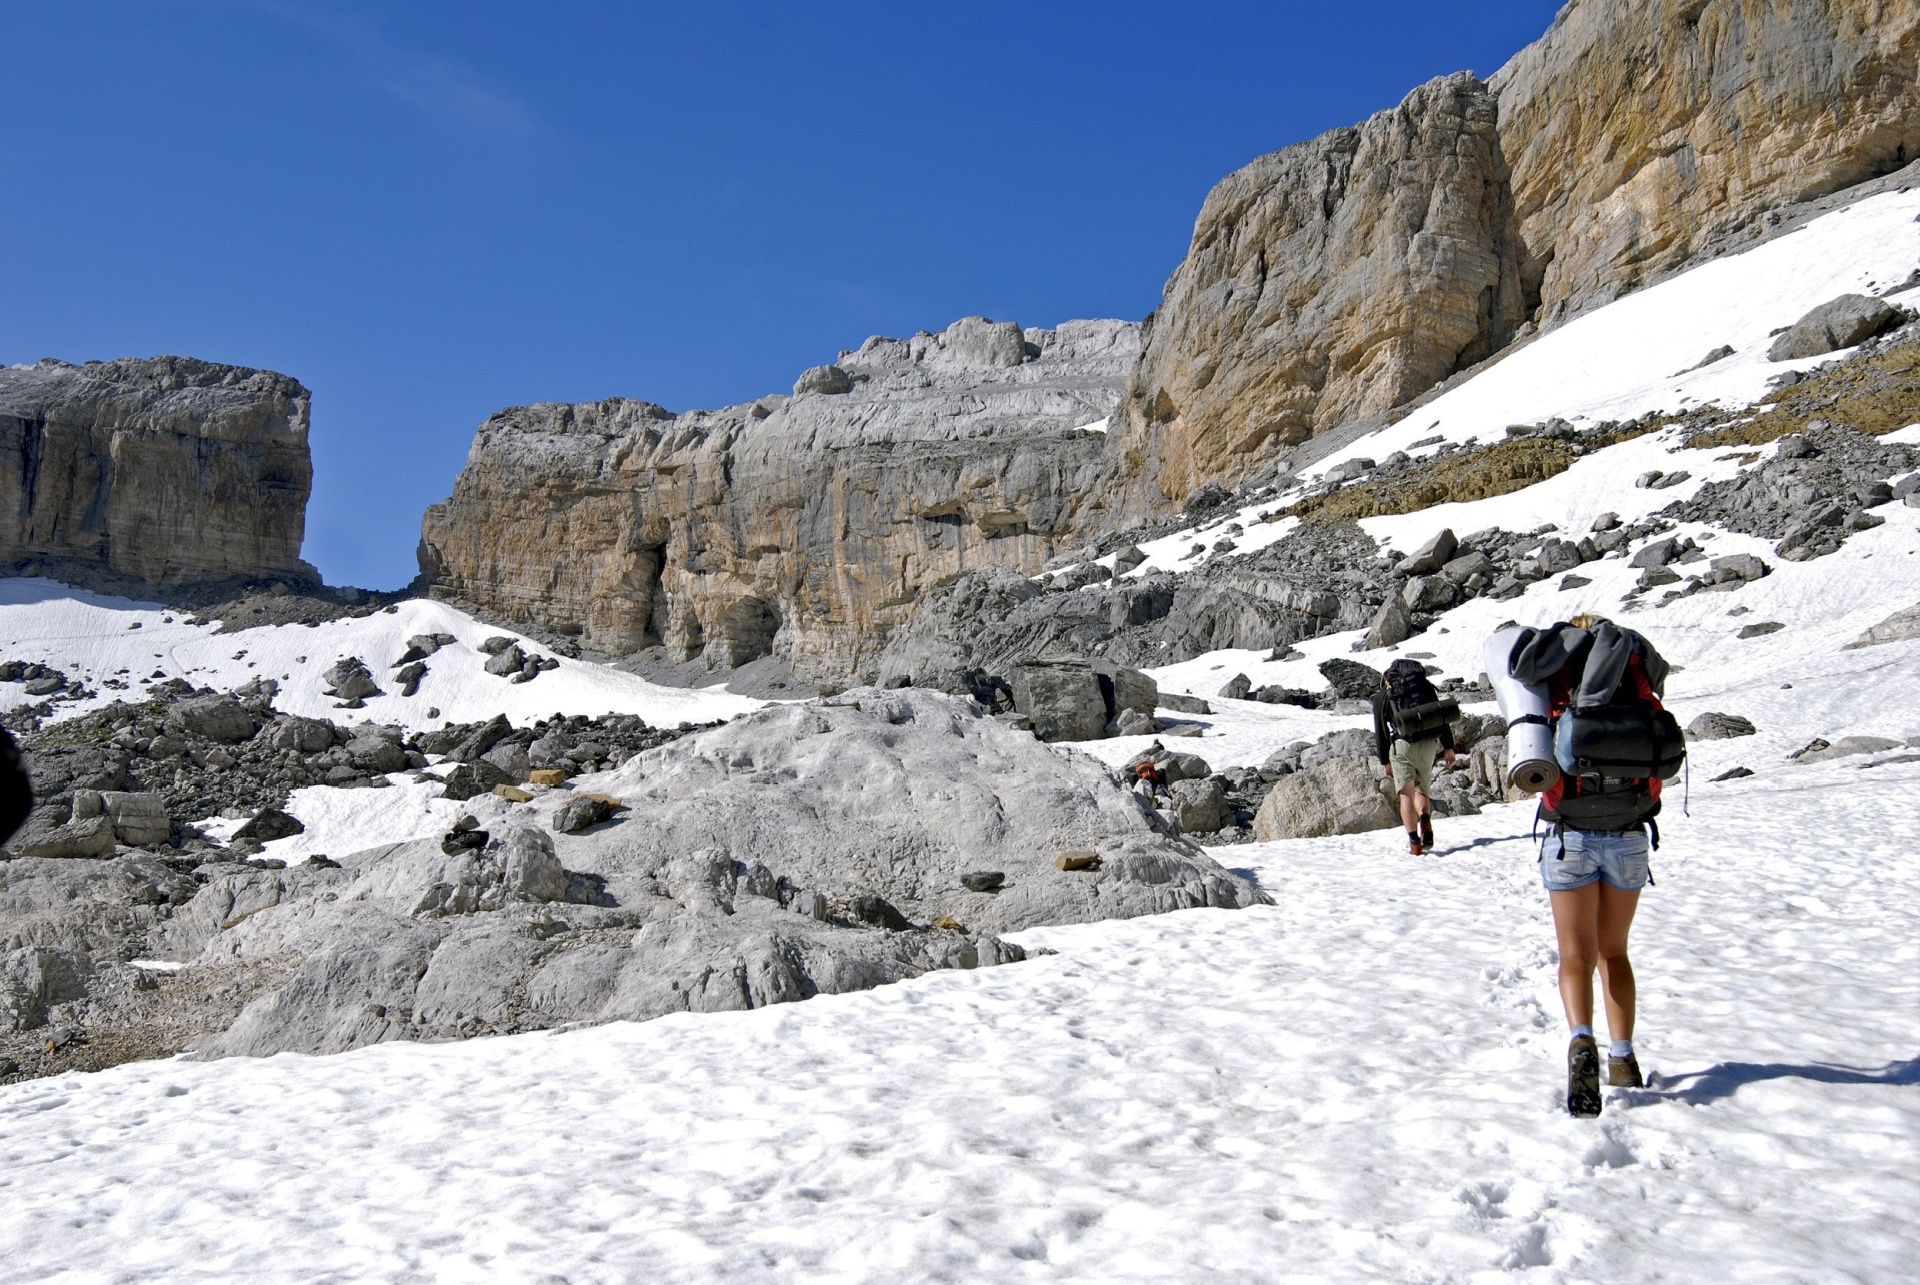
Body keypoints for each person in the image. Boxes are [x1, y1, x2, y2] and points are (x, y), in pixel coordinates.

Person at [1509, 612, 1681, 1117]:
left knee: (1575, 955)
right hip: (1629, 836)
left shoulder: (1556, 675)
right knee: (1615, 953)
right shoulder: (1637, 673)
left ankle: (1582, 1039)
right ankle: (1623, 1058)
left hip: (1570, 838)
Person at [1372, 661, 1456, 855]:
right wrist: (1449, 747)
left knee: (1406, 795)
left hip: (1402, 746)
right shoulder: (1424, 687)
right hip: (1428, 744)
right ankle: (1425, 818)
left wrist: (1385, 760)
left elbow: (1381, 732)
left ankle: (1414, 843)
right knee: (1422, 790)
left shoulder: (1383, 696)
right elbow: (1440, 717)